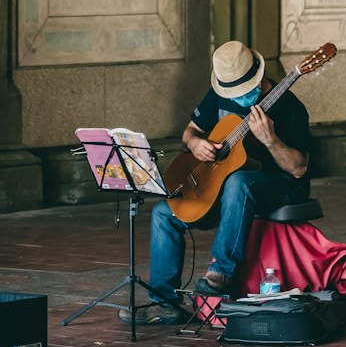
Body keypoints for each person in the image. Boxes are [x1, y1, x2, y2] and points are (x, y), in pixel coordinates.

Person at [122, 40, 310, 326]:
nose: (236, 97)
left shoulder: (291, 108)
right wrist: (195, 143)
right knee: (164, 212)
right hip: (227, 186)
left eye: (243, 92)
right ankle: (164, 303)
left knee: (239, 180)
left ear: (258, 80)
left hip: (278, 184)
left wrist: (270, 140)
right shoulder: (219, 94)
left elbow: (298, 169)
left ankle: (222, 273)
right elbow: (190, 132)